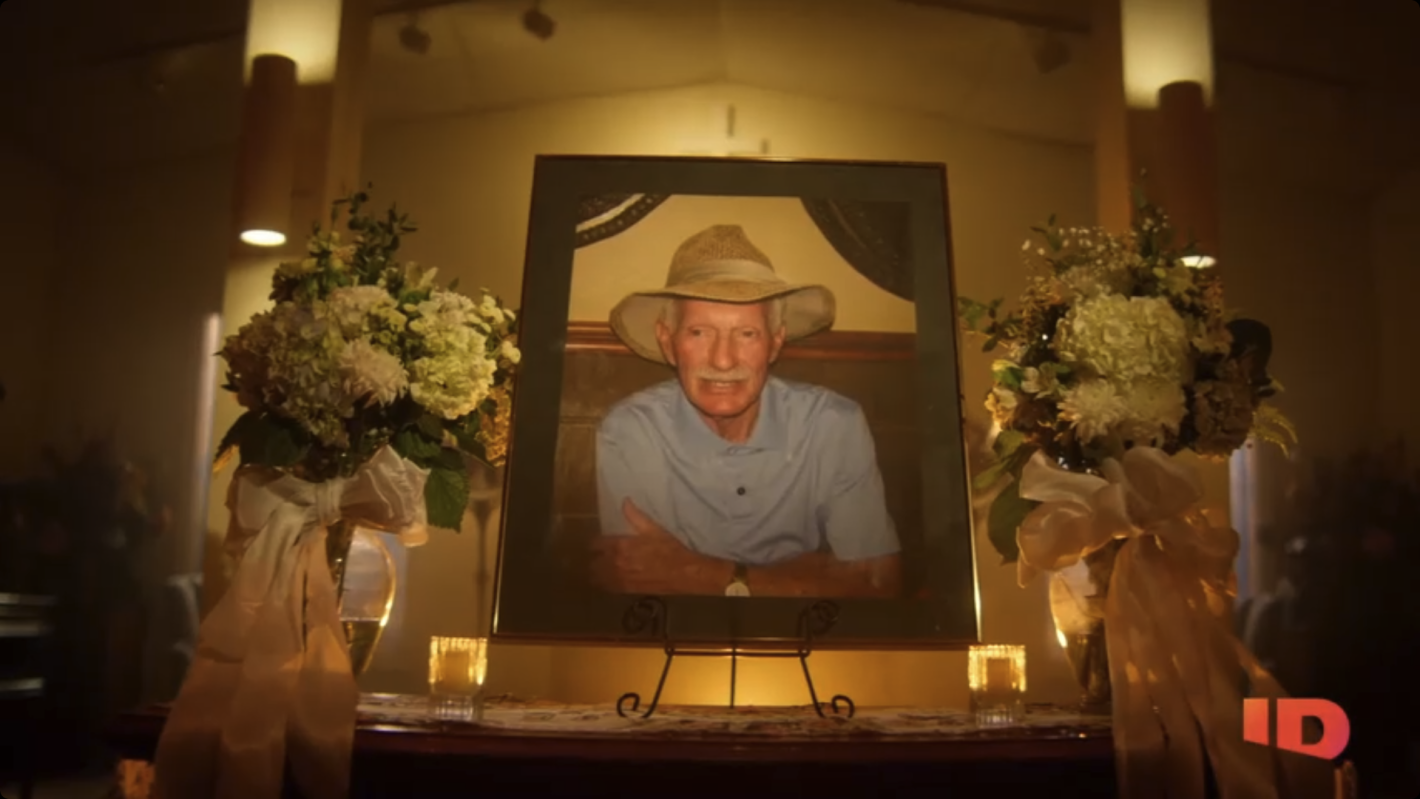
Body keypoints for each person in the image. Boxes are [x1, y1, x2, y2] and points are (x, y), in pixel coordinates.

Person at [589, 224, 901, 599]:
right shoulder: (629, 430)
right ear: (668, 342)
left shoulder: (834, 424)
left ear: (775, 343)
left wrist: (699, 573)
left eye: (747, 334)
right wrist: (809, 575)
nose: (723, 360)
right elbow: (638, 585)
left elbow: (879, 584)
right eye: (699, 333)